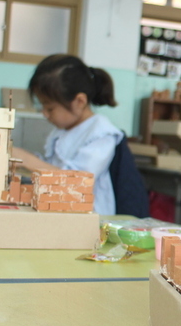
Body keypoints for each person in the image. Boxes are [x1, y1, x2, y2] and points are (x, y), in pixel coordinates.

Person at [13, 54, 124, 215]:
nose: (44, 114)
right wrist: (23, 162)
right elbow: (52, 166)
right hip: (61, 208)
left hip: (91, 218)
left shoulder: (102, 134)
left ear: (79, 101)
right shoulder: (62, 130)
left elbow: (78, 181)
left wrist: (28, 160)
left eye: (50, 108)